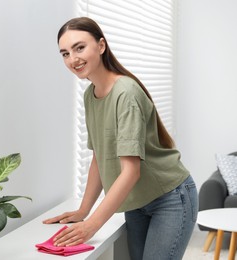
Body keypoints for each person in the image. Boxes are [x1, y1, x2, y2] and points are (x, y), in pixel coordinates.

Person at [43, 17, 198, 260]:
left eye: (79, 47)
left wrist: (91, 225)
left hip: (170, 198)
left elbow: (130, 171)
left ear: (101, 46)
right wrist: (84, 210)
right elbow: (100, 156)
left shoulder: (125, 92)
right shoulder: (90, 95)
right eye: (65, 53)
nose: (73, 59)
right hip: (135, 202)